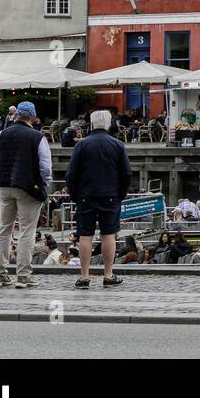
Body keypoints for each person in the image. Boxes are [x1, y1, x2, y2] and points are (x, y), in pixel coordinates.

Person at [0, 101, 53, 288]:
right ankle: (23, 275)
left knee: (3, 229)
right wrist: (43, 183)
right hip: (28, 187)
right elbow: (45, 166)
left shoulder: (1, 134)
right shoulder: (37, 137)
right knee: (27, 231)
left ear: (15, 115)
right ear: (32, 117)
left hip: (4, 186)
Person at [65, 109, 132, 289]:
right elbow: (126, 173)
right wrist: (120, 195)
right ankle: (108, 274)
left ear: (92, 124)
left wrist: (75, 196)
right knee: (108, 235)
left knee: (85, 235)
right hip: (110, 196)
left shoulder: (81, 145)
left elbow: (71, 175)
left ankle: (85, 276)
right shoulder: (117, 145)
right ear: (109, 124)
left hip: (85, 196)